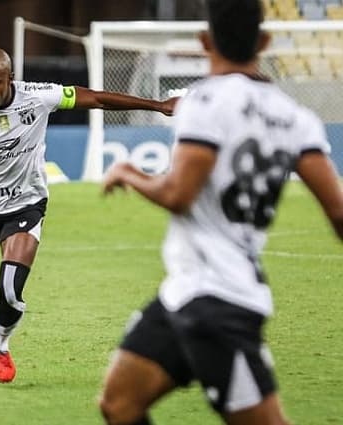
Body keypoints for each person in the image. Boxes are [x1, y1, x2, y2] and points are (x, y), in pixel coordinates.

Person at [99, 0, 343, 424]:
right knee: (119, 403)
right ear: (264, 42)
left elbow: (179, 193)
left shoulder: (203, 101)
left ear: (205, 41)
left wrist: (129, 173)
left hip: (219, 303)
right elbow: (339, 214)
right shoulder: (296, 119)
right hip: (184, 294)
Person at [0, 47, 177, 387]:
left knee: (10, 290)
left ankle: (0, 346)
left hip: (26, 205)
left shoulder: (38, 97)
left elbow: (97, 99)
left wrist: (158, 106)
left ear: (10, 77)